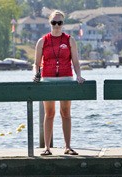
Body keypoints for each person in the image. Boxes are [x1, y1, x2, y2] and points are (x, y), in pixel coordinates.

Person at [33, 10, 85, 156]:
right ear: (50, 23)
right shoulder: (42, 41)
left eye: (59, 22)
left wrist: (79, 76)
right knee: (49, 113)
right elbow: (36, 63)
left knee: (66, 112)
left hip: (66, 78)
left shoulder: (70, 40)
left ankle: (67, 147)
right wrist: (35, 75)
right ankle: (47, 148)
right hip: (48, 79)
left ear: (63, 24)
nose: (56, 25)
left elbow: (75, 61)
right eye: (54, 22)